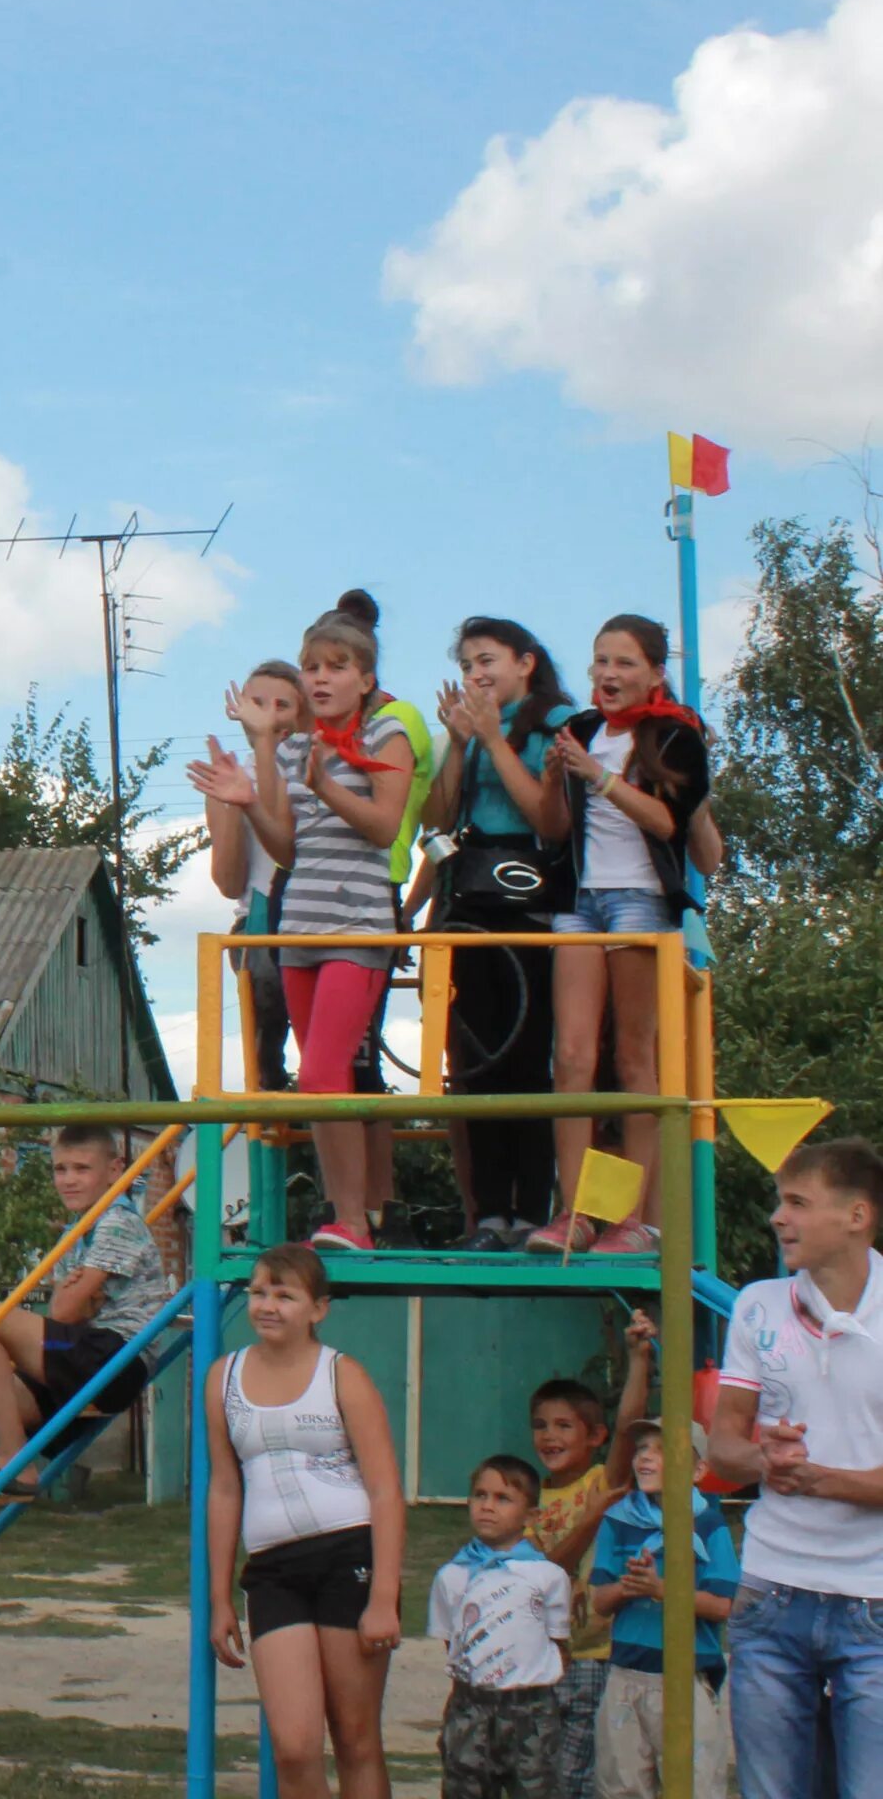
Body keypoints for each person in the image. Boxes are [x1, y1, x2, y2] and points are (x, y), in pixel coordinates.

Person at [193, 594, 418, 1250]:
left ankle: (353, 1219)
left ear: (365, 678)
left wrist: (326, 787)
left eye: (335, 666)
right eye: (311, 666)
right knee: (323, 1078)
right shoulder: (295, 753)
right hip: (300, 932)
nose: (320, 678)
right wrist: (249, 791)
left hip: (358, 928)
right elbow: (286, 848)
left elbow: (383, 826)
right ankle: (347, 1216)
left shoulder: (386, 735)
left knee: (323, 1072)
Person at [709, 1137, 883, 1799]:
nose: (778, 1218)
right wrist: (764, 1460)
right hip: (771, 1592)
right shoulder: (757, 1304)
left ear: (857, 1216)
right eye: (780, 1202)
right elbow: (721, 1447)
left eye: (797, 1203)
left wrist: (821, 1480)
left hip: (875, 1599)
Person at [533, 616, 709, 1254]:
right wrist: (558, 776)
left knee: (636, 1059)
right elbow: (554, 830)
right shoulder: (578, 730)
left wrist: (601, 777)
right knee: (572, 1057)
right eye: (600, 661)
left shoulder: (677, 735)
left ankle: (635, 1221)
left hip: (639, 899)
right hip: (576, 898)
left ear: (655, 674)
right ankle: (575, 1210)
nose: (608, 675)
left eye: (625, 664)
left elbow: (670, 823)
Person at [204, 1243, 405, 1799]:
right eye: (259, 1292)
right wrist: (220, 1597)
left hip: (349, 1560)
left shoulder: (343, 1374)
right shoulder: (223, 1377)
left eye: (284, 1295)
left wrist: (384, 1596)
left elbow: (386, 1490)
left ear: (318, 1309)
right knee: (293, 1747)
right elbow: (224, 1488)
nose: (268, 1306)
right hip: (272, 1571)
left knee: (356, 1740)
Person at [0, 1126, 172, 1537]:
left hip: (114, 1356)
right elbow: (62, 1310)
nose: (68, 1180)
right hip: (78, 1357)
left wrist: (77, 1297)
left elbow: (66, 1309)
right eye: (60, 1169)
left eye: (82, 1169)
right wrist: (78, 1296)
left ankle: (13, 1455)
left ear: (115, 1169)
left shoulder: (118, 1222)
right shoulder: (78, 1230)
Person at [410, 619, 576, 1249]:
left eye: (488, 661)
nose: (477, 675)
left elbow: (548, 817)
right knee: (474, 1057)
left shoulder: (554, 720)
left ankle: (532, 1208)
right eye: (469, 664)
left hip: (530, 897)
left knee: (529, 1055)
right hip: (469, 898)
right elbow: (439, 818)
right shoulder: (474, 733)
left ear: (525, 662)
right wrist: (459, 743)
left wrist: (493, 738)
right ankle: (485, 1214)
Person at [529, 1316, 654, 1797]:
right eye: (540, 1425)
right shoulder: (528, 1500)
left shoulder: (601, 1483)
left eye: (564, 1425)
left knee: (584, 1776)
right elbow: (546, 1570)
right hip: (542, 1657)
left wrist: (639, 1357)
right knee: (545, 1771)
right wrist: (589, 1521)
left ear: (593, 1437)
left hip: (595, 1654)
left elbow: (628, 1427)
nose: (549, 1436)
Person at [586, 1420, 737, 1798]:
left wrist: (663, 1589)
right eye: (641, 1448)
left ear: (698, 1470)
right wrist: (629, 1586)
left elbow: (722, 1605)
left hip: (684, 1678)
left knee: (693, 1786)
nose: (646, 1456)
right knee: (621, 1785)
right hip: (626, 1675)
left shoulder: (708, 1527)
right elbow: (600, 1602)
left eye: (662, 1447)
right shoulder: (620, 1522)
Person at [426, 1455, 570, 1799]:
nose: (488, 1506)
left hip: (532, 1709)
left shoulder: (547, 1576)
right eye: (480, 1495)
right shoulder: (452, 1576)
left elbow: (558, 1642)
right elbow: (454, 1643)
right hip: (470, 1706)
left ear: (531, 1515)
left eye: (503, 1498)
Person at [200, 659, 308, 1091]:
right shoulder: (229, 774)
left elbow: (294, 850)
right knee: (258, 969)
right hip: (256, 924)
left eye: (283, 704)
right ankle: (269, 1078)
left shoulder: (310, 766)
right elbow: (228, 883)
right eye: (258, 702)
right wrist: (231, 802)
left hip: (310, 917)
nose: (269, 714)